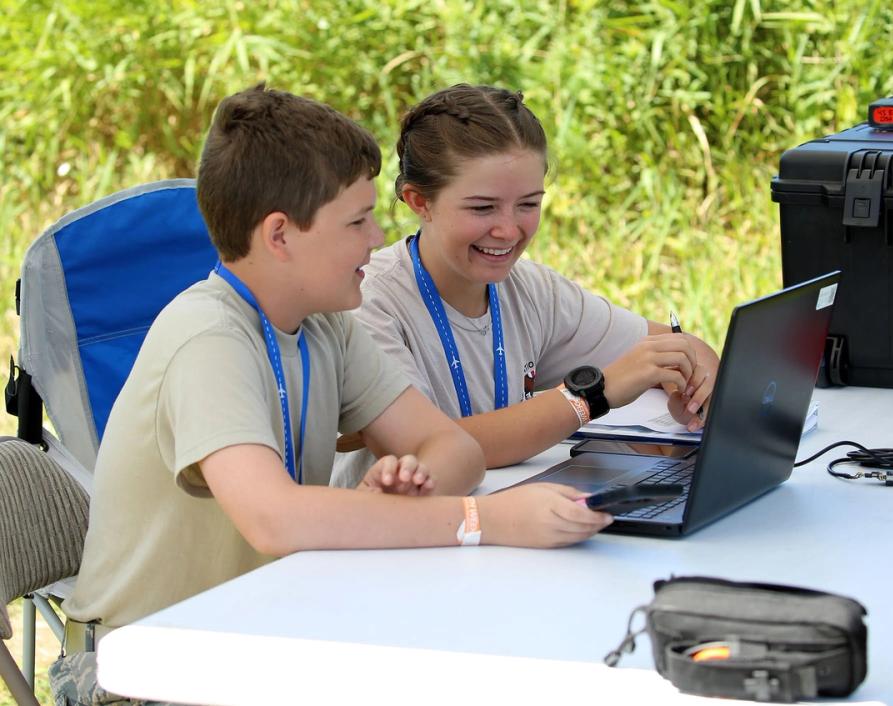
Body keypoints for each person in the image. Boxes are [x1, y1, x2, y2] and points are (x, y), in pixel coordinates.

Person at [51, 84, 611, 705]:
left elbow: (455, 449)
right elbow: (275, 519)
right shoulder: (207, 337)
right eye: (356, 221)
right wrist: (486, 521)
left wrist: (412, 484)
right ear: (280, 235)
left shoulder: (327, 323)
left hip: (270, 630)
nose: (377, 236)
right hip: (148, 671)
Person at [349, 84, 720, 469]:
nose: (508, 231)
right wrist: (592, 395)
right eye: (483, 208)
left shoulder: (529, 289)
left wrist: (692, 389)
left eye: (528, 204)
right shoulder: (368, 302)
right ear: (419, 201)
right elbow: (429, 451)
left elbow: (680, 346)